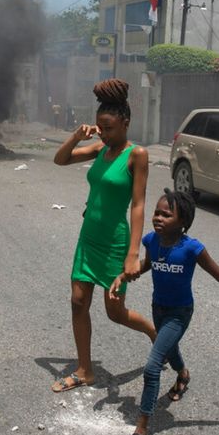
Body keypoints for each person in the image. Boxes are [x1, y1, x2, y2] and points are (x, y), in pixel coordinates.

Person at [110, 189, 219, 435]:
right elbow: (147, 264)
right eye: (157, 212)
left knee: (153, 366)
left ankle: (141, 430)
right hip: (158, 308)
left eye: (167, 214)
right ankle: (183, 374)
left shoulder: (192, 249)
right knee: (170, 349)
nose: (158, 218)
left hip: (179, 313)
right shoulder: (152, 240)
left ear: (183, 221)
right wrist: (123, 276)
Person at [51, 78, 155, 393]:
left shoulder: (137, 155)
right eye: (99, 127)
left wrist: (133, 254)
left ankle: (154, 332)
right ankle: (85, 370)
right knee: (78, 302)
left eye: (109, 128)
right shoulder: (99, 149)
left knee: (115, 313)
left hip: (114, 243)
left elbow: (138, 205)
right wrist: (77, 135)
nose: (104, 134)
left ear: (126, 123)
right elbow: (61, 159)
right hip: (89, 237)